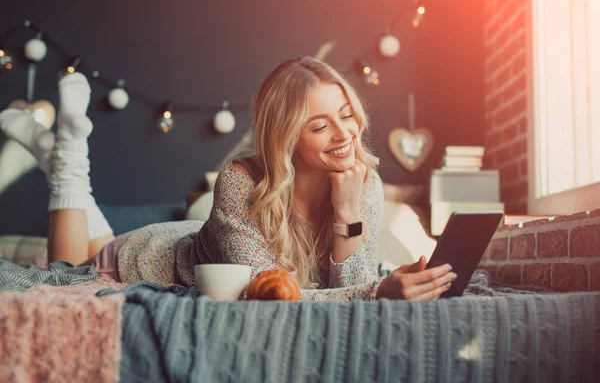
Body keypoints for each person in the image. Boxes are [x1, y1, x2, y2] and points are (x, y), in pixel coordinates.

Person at [0, 56, 456, 301]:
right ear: (286, 136)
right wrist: (379, 291)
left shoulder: (363, 182)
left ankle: (60, 153)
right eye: (320, 126)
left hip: (192, 239)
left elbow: (348, 284)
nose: (344, 135)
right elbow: (264, 295)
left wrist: (348, 209)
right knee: (61, 272)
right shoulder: (240, 179)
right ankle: (66, 160)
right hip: (142, 258)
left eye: (346, 115)